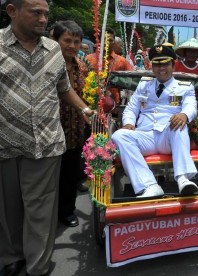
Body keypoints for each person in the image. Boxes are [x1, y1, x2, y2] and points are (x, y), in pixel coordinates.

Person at [0, 0, 94, 275]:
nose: (43, 19)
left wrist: (85, 108)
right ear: (12, 11)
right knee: (9, 209)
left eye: (46, 14)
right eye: (36, 12)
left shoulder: (52, 50)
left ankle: (37, 266)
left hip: (47, 142)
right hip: (5, 143)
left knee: (40, 210)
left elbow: (64, 88)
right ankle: (11, 258)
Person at [111, 44, 198, 198]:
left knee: (179, 125)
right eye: (157, 64)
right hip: (146, 136)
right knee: (119, 135)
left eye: (165, 63)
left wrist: (184, 115)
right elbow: (131, 108)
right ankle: (149, 185)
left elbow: (191, 106)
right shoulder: (144, 85)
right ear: (152, 66)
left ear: (173, 64)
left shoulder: (185, 87)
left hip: (169, 137)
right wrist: (129, 123)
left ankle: (183, 178)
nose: (161, 68)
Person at [52, 20, 89, 228]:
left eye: (76, 42)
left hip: (74, 130)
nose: (72, 46)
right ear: (54, 40)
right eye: (67, 40)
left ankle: (66, 211)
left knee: (69, 175)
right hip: (49, 130)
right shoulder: (45, 64)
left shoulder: (82, 67)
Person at [86, 28, 133, 105]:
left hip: (114, 105)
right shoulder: (89, 59)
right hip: (92, 103)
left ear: (114, 42)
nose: (107, 43)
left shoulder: (121, 61)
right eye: (104, 39)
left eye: (110, 40)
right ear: (99, 41)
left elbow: (131, 78)